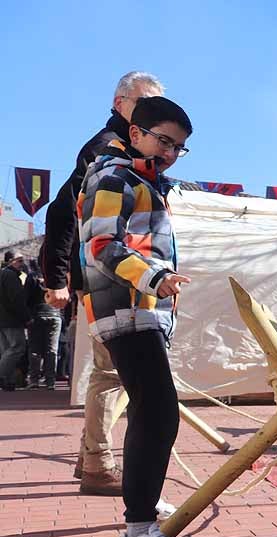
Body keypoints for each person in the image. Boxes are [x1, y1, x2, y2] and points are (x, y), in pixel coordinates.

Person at [78, 96, 195, 537]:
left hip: (140, 309)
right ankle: (138, 530)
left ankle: (142, 510)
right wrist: (153, 277)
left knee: (150, 412)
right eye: (163, 140)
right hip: (125, 308)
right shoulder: (114, 176)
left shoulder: (145, 182)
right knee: (159, 412)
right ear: (135, 134)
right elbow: (101, 243)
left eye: (179, 147)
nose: (169, 152)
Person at [41, 71, 164, 495]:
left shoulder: (136, 151)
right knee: (111, 372)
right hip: (105, 275)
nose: (154, 115)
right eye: (145, 104)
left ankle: (91, 456)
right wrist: (56, 278)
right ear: (120, 102)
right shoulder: (105, 150)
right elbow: (62, 213)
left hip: (127, 275)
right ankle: (97, 463)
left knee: (114, 371)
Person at [25, 258, 61, 390]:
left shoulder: (33, 276)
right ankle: (50, 381)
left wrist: (27, 315)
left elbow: (26, 298)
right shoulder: (57, 274)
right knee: (52, 350)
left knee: (35, 349)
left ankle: (34, 380)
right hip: (55, 313)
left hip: (37, 314)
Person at [0, 251, 30, 391]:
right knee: (17, 347)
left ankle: (8, 381)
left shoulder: (3, 274)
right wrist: (27, 318)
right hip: (11, 319)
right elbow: (17, 300)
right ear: (10, 261)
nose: (22, 264)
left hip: (3, 319)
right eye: (19, 260)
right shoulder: (10, 276)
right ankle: (3, 376)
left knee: (7, 350)